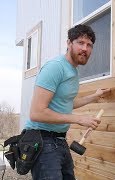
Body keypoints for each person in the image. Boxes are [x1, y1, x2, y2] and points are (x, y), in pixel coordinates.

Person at [24, 24, 110, 179]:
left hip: (59, 140)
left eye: (89, 45)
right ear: (69, 43)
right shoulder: (55, 68)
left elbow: (66, 102)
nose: (85, 48)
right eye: (80, 43)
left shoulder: (73, 71)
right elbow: (36, 113)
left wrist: (94, 96)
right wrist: (79, 119)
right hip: (42, 141)